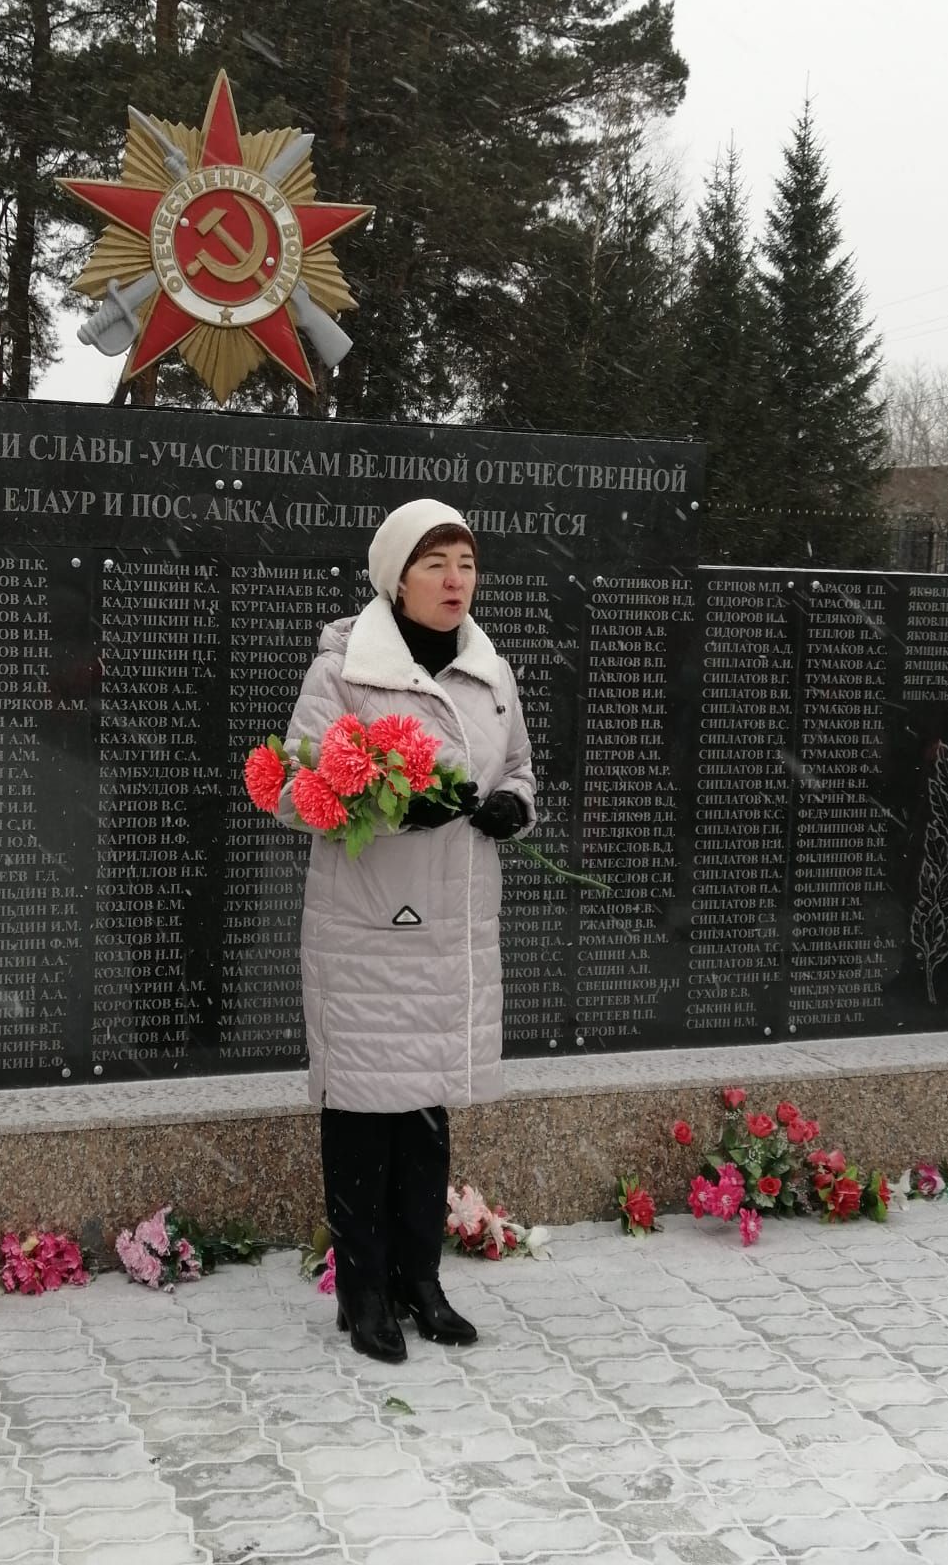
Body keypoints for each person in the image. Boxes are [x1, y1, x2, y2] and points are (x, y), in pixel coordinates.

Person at [276, 498, 536, 1362]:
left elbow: (525, 767)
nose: (455, 579)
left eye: (465, 561)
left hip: (453, 933)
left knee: (424, 1117)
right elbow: (298, 789)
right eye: (435, 563)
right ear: (396, 577)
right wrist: (399, 807)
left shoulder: (491, 674)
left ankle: (421, 1282)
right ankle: (363, 1295)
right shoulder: (345, 670)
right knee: (361, 1114)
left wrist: (512, 807)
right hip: (368, 932)